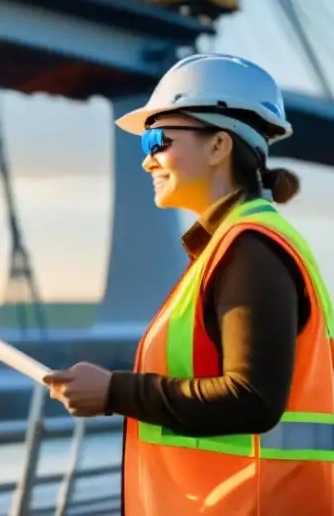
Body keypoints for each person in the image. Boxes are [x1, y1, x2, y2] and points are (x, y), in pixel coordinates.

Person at [43, 53, 334, 515]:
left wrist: (115, 391)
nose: (147, 162)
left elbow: (252, 399)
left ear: (219, 144)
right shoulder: (231, 246)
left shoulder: (250, 249)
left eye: (157, 140)